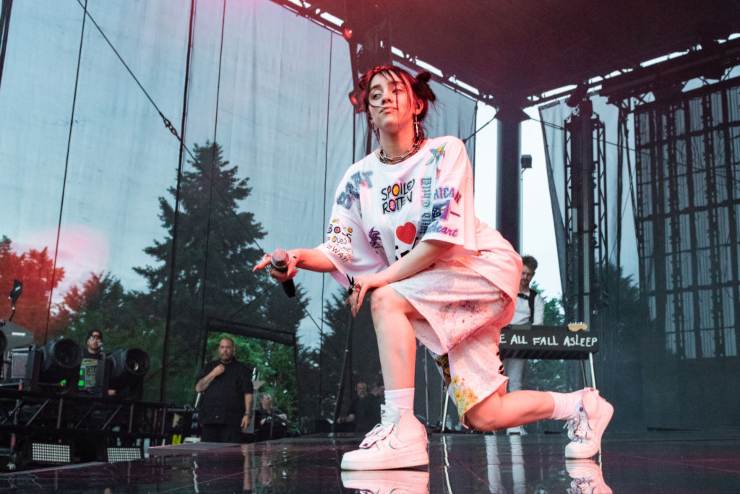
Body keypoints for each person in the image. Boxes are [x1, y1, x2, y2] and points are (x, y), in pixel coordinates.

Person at [254, 65, 613, 470]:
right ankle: (582, 406)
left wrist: (380, 280)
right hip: (434, 292)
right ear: (368, 113)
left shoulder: (445, 152)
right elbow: (337, 249)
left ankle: (401, 427)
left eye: (395, 90)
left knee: (386, 298)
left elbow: (440, 241)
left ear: (417, 104)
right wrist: (297, 258)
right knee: (485, 413)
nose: (384, 97)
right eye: (375, 95)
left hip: (482, 270)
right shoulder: (358, 180)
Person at [503, 254, 545, 435]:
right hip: (500, 338)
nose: (526, 277)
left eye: (530, 274)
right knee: (495, 382)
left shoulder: (536, 298)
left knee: (515, 382)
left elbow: (538, 325)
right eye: (523, 273)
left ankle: (514, 424)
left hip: (520, 342)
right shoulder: (505, 290)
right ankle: (492, 422)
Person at [195, 337, 254, 443]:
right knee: (207, 455)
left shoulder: (242, 369)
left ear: (233, 349)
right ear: (219, 349)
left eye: (228, 347)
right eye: (222, 347)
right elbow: (199, 388)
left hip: (231, 420)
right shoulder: (210, 367)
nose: (225, 350)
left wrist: (247, 415)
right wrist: (213, 373)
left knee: (229, 455)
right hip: (210, 419)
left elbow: (248, 393)